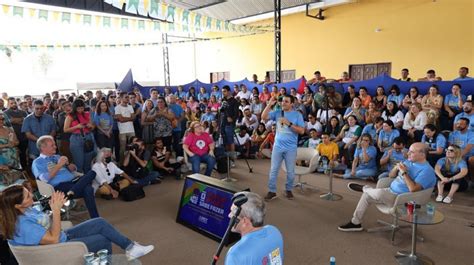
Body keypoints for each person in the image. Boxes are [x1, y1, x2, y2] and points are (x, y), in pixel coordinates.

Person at [0, 184, 154, 259]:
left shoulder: (25, 210)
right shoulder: (22, 226)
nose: (32, 196)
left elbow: (45, 225)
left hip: (60, 236)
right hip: (54, 248)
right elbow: (53, 240)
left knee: (99, 222)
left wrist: (54, 205)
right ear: (17, 205)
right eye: (28, 196)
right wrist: (55, 210)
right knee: (102, 240)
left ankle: (130, 247)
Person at [338, 143, 436, 232]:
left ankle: (365, 188)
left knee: (376, 193)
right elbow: (391, 176)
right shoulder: (409, 161)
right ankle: (355, 222)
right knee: (367, 196)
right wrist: (396, 168)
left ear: (422, 155)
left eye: (412, 152)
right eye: (409, 150)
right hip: (390, 191)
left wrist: (404, 172)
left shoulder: (427, 171)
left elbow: (413, 189)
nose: (408, 153)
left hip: (402, 199)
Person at [31, 135, 99, 218]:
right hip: (59, 187)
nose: (55, 147)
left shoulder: (57, 157)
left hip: (74, 181)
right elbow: (44, 179)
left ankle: (72, 191)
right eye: (52, 145)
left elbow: (72, 170)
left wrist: (69, 165)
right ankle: (95, 217)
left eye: (54, 144)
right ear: (43, 148)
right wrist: (59, 165)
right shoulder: (38, 162)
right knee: (88, 189)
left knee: (92, 173)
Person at [261, 95, 305, 201]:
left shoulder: (297, 115)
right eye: (282, 101)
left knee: (290, 171)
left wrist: (289, 124)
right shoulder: (277, 112)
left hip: (291, 148)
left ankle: (288, 189)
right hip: (277, 147)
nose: (283, 103)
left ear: (292, 104)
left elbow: (302, 131)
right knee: (273, 170)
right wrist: (269, 105)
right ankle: (272, 191)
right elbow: (263, 117)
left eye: (286, 101)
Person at [224, 191, 283, 265]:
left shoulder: (235, 254)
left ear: (245, 221)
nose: (229, 215)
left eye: (232, 213)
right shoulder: (275, 232)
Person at [63, 99, 96, 173]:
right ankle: (80, 178)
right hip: (76, 139)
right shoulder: (70, 116)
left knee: (88, 160)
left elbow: (93, 127)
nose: (80, 110)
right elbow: (65, 129)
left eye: (82, 108)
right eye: (78, 108)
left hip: (88, 137)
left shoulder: (87, 114)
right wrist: (76, 127)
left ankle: (88, 178)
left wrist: (90, 126)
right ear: (74, 108)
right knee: (79, 162)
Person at [4, 97, 28, 168]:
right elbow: (10, 121)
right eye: (11, 103)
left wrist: (15, 120)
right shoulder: (5, 113)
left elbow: (26, 122)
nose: (14, 104)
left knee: (23, 154)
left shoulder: (23, 112)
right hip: (12, 138)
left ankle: (24, 169)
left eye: (15, 103)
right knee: (14, 155)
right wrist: (21, 119)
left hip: (23, 137)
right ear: (8, 104)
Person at [114, 92, 136, 163]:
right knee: (122, 149)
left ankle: (131, 162)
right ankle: (121, 163)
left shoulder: (130, 106)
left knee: (133, 146)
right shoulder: (117, 108)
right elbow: (121, 120)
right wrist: (129, 118)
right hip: (122, 131)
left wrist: (124, 118)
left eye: (128, 97)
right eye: (126, 97)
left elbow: (133, 118)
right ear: (120, 98)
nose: (128, 99)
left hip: (131, 129)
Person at [221, 86, 240, 157]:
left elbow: (237, 113)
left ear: (229, 91)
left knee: (230, 140)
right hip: (223, 122)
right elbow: (221, 110)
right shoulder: (223, 100)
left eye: (224, 91)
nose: (223, 93)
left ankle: (232, 159)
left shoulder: (234, 101)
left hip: (230, 124)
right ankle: (227, 158)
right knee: (224, 140)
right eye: (222, 91)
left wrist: (232, 119)